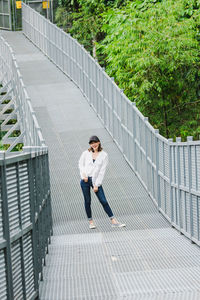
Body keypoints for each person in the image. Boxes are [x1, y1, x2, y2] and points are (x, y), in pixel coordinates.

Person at [79, 135, 126, 229]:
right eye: (91, 143)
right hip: (85, 180)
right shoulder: (86, 153)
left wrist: (96, 184)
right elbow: (81, 164)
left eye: (95, 142)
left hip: (95, 180)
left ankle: (113, 221)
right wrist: (83, 175)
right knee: (87, 201)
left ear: (99, 142)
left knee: (103, 200)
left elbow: (102, 171)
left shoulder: (104, 155)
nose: (93, 145)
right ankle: (91, 222)